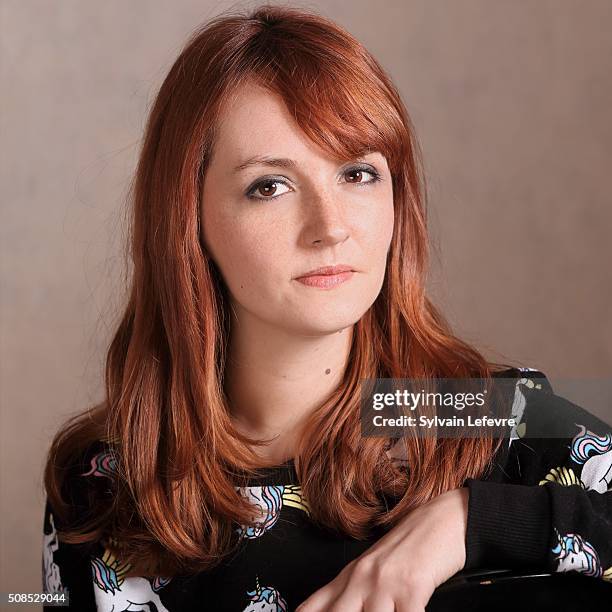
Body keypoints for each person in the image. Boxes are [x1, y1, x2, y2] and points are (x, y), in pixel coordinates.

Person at [41, 4, 612, 611]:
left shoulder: (479, 412)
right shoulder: (99, 482)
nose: (331, 227)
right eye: (270, 185)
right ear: (188, 220)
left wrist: (470, 523)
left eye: (359, 174)